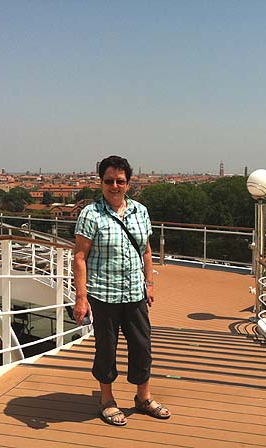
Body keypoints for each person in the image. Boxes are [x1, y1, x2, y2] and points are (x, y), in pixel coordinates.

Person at [72, 155, 171, 426]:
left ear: (128, 183)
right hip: (103, 294)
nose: (114, 186)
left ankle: (143, 397)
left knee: (142, 346)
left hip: (135, 293)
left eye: (120, 181)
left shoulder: (140, 211)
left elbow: (146, 251)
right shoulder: (91, 214)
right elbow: (79, 257)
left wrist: (149, 284)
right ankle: (107, 400)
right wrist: (81, 298)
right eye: (109, 181)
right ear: (101, 182)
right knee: (106, 348)